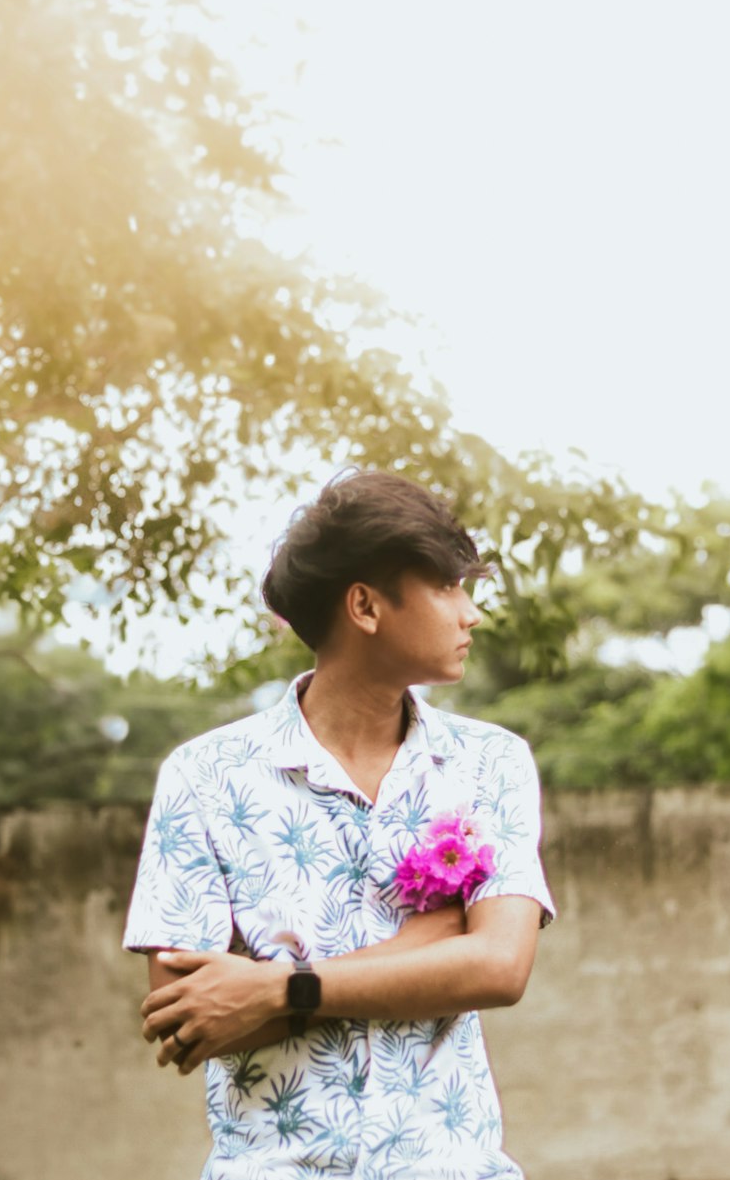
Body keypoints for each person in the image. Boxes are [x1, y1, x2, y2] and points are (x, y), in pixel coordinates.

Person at [125, 470, 555, 1180]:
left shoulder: (491, 762)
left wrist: (277, 985)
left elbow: (499, 966)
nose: (470, 612)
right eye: (447, 585)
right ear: (364, 605)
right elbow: (190, 1020)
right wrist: (430, 940)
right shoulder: (204, 776)